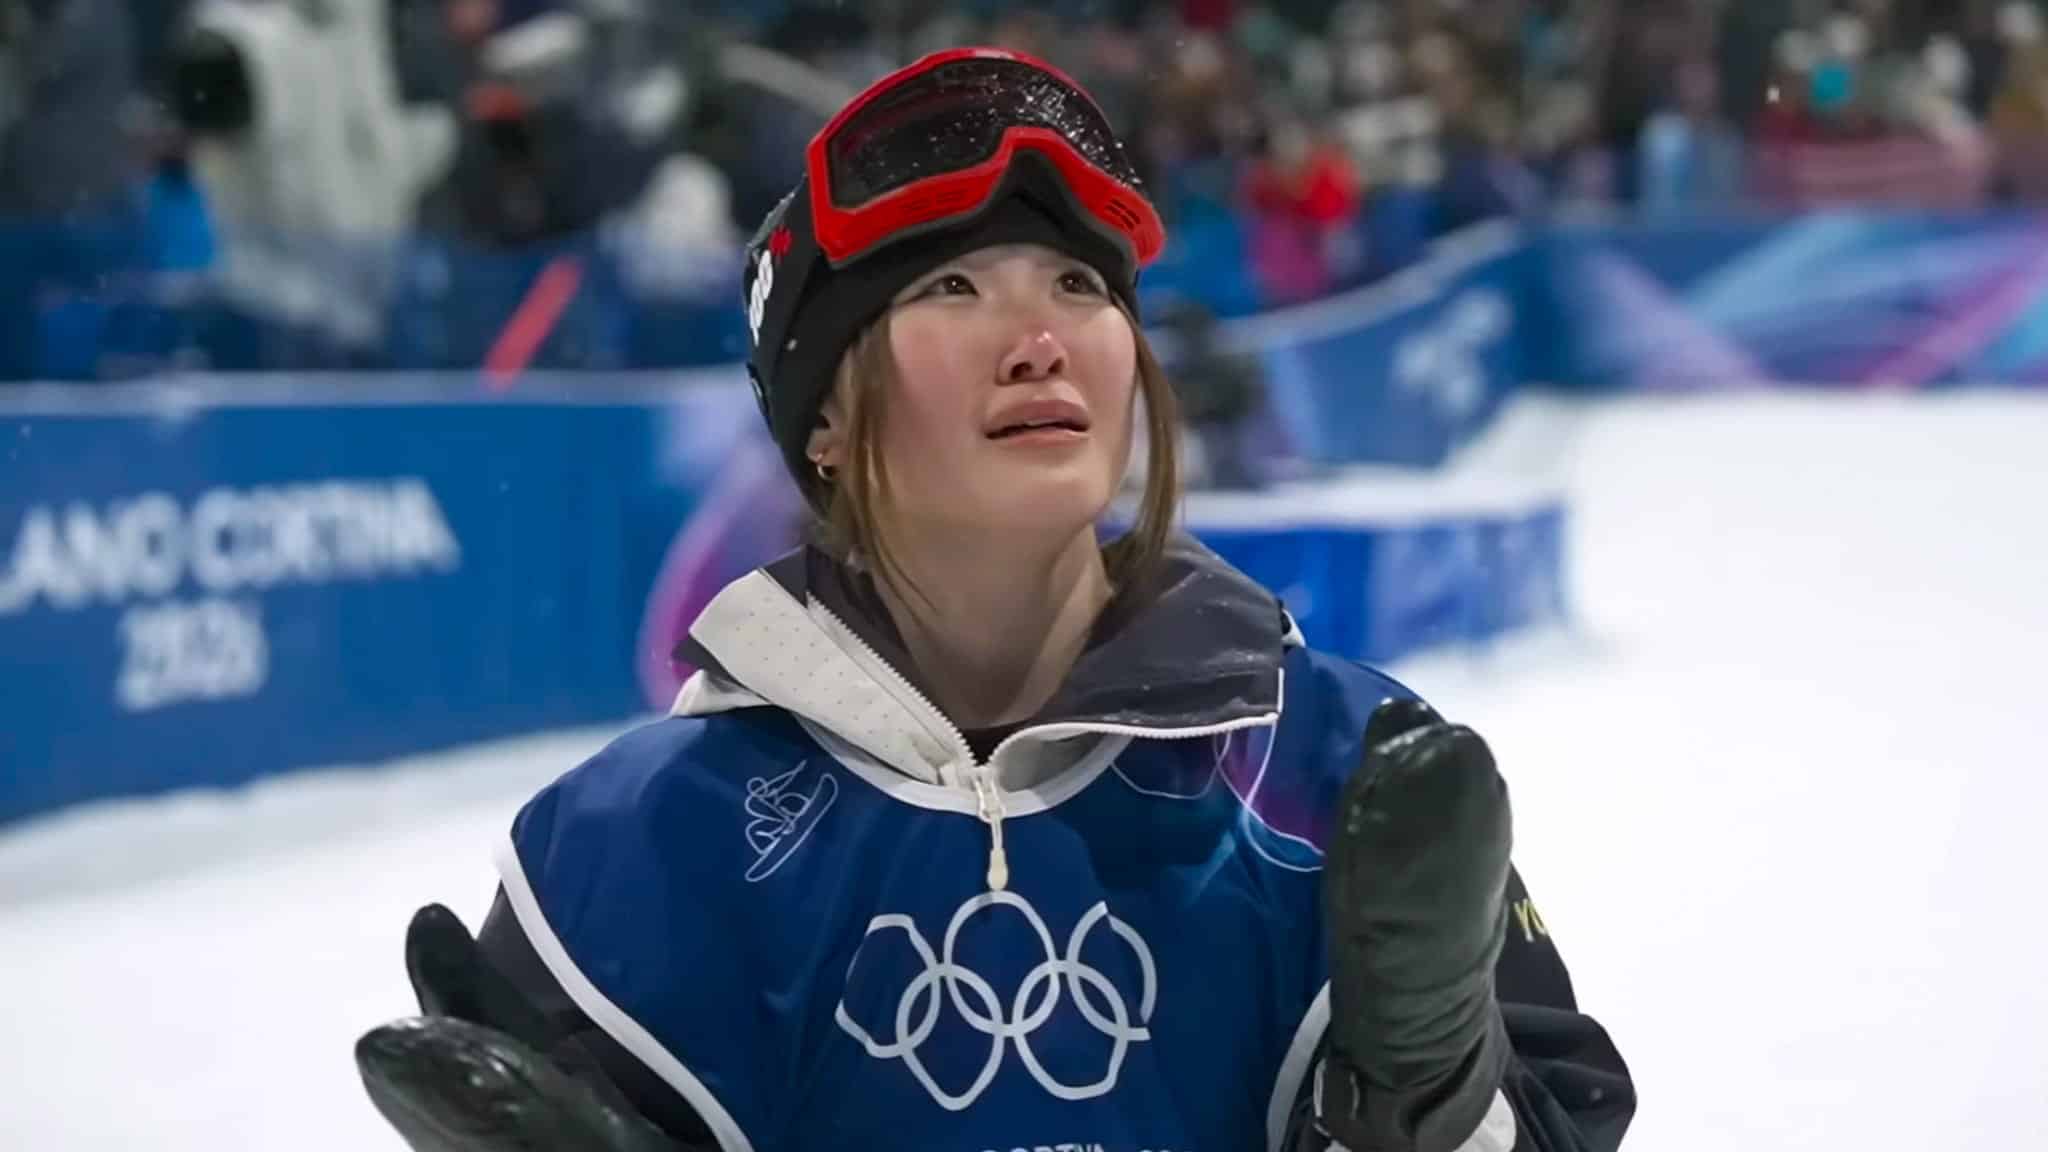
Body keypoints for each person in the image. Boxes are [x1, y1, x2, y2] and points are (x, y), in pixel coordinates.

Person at [356, 46, 1636, 1152]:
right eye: (950, 288)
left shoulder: (1338, 777)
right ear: (824, 421)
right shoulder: (624, 860)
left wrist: (1422, 1091)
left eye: (1078, 285)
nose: (1041, 338)